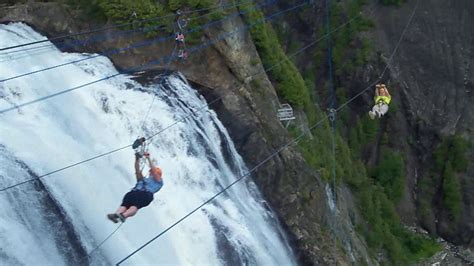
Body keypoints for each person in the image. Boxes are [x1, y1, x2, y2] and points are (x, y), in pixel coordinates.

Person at [107, 152, 163, 223]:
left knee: (135, 205)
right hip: (134, 192)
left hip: (145, 195)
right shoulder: (144, 180)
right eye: (150, 171)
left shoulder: (159, 182)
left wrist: (148, 158)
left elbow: (155, 172)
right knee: (125, 204)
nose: (150, 172)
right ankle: (117, 214)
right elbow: (137, 170)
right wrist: (137, 159)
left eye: (152, 171)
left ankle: (124, 215)